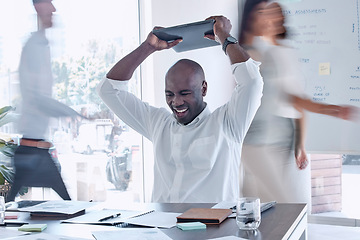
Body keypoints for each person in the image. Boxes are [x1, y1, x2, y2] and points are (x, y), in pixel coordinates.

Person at [97, 15, 264, 203]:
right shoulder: (157, 122)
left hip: (213, 228)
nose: (176, 102)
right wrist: (148, 47)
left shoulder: (228, 123)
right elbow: (109, 90)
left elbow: (251, 81)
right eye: (169, 94)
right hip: (161, 227)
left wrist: (224, 36)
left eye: (185, 93)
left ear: (204, 89)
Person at [239, 0, 356, 204]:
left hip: (270, 139)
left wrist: (329, 113)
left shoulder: (272, 53)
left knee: (263, 207)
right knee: (282, 207)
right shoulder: (248, 53)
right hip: (253, 142)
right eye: (263, 12)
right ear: (250, 16)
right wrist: (331, 110)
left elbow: (293, 98)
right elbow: (292, 98)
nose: (268, 17)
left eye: (272, 13)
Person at [6, 0, 83, 202]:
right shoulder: (34, 47)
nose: (54, 9)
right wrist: (72, 112)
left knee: (11, 208)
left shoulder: (40, 44)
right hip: (33, 152)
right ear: (39, 7)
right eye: (50, 3)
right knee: (70, 208)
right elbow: (37, 98)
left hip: (32, 149)